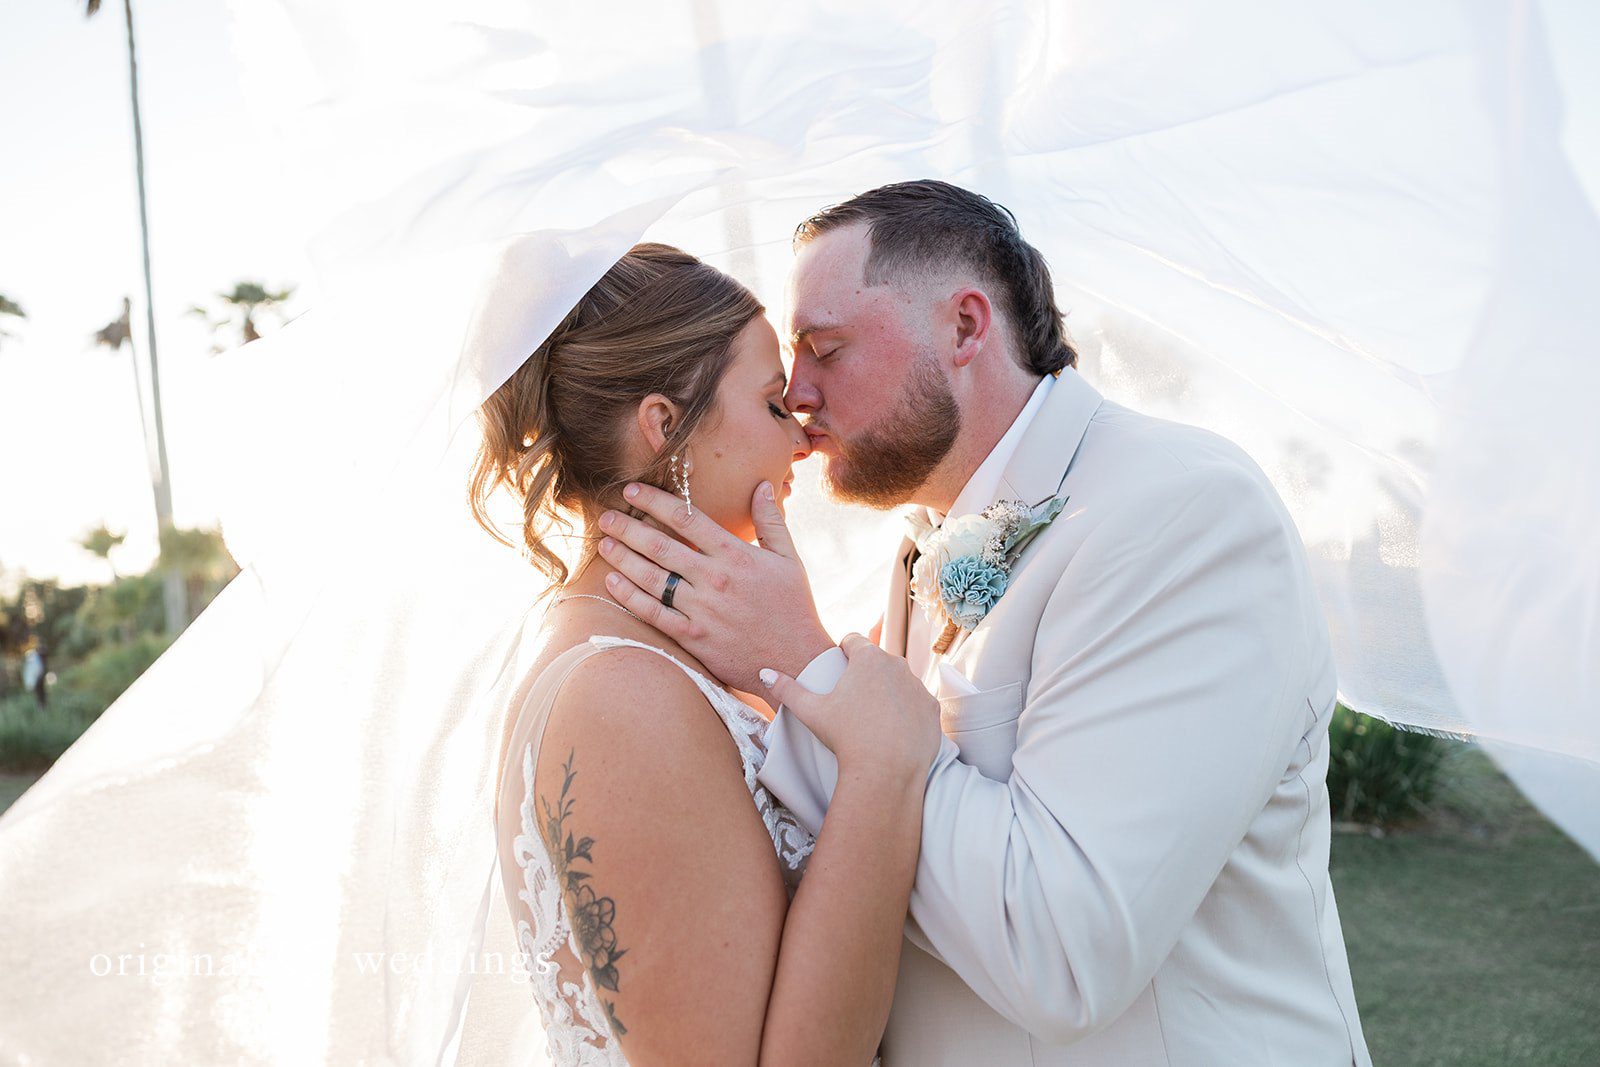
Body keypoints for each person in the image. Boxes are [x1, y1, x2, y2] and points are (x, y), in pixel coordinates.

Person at [597, 181, 1373, 1065]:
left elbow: (1065, 954)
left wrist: (805, 669)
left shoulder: (1187, 514)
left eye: (826, 348)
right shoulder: (909, 553)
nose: (797, 397)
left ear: (966, 328)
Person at [478, 242, 945, 1064]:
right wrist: (883, 767)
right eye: (771, 404)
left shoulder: (664, 660)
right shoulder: (622, 697)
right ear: (664, 427)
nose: (802, 440)